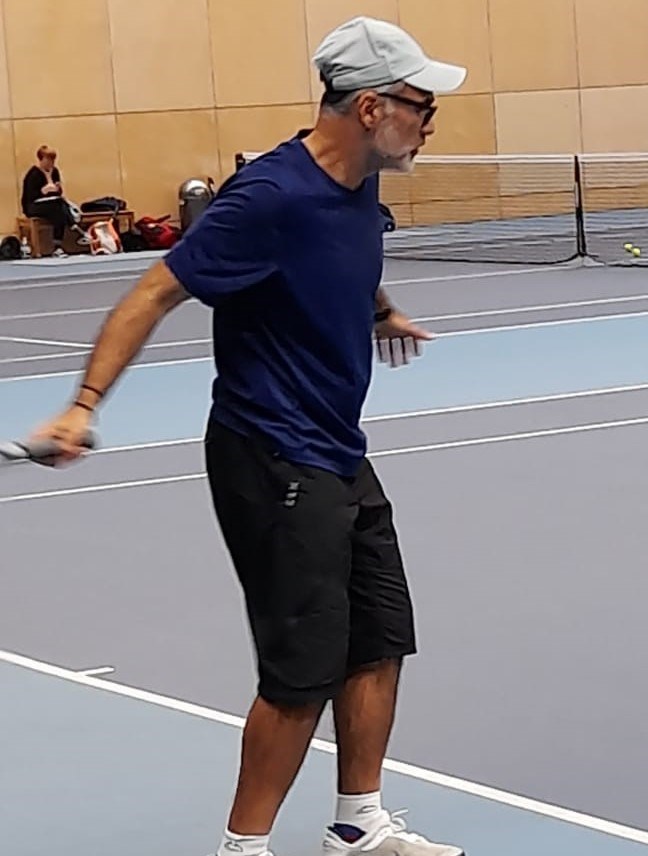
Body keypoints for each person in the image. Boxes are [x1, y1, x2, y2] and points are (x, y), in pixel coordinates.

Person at [29, 16, 467, 856]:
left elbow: (348, 259)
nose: (430, 121)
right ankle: (244, 849)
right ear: (372, 107)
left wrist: (379, 312)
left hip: (338, 447)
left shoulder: (358, 181)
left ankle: (357, 824)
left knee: (380, 639)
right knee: (300, 674)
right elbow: (153, 293)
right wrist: (84, 403)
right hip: (271, 456)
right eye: (421, 104)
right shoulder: (267, 199)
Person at [21, 145, 89, 255]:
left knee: (58, 210)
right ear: (41, 159)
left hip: (52, 205)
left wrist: (57, 188)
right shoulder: (33, 174)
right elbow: (29, 197)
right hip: (33, 206)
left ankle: (58, 246)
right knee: (59, 207)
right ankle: (72, 225)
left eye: (52, 160)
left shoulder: (55, 171)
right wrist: (43, 191)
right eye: (48, 159)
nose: (51, 162)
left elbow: (58, 193)